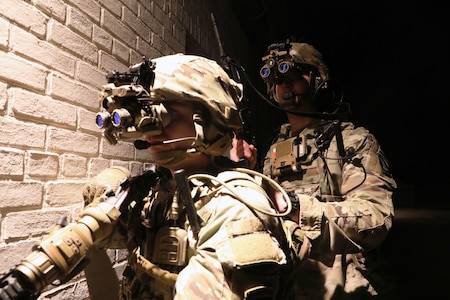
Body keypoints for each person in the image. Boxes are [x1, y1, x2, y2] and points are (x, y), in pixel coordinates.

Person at [0, 54, 293, 300]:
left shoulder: (234, 207)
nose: (151, 129)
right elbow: (103, 233)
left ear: (211, 116)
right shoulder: (154, 190)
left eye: (168, 115)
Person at [233, 40, 398, 299]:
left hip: (342, 287)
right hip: (286, 283)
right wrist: (246, 172)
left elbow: (374, 217)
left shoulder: (351, 140)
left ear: (318, 80)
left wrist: (297, 208)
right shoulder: (275, 146)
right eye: (276, 79)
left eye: (294, 76)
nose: (283, 85)